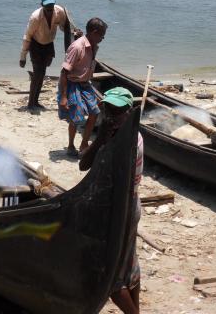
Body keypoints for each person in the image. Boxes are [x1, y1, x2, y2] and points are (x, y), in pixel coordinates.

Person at [79, 87, 143, 314]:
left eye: (117, 112)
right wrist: (100, 139)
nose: (111, 117)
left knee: (113, 278)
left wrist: (104, 140)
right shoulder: (110, 136)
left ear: (129, 113)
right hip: (118, 209)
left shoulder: (130, 142)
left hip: (120, 211)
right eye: (108, 110)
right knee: (129, 267)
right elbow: (83, 164)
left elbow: (118, 185)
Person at [58, 17, 107, 157]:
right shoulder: (77, 47)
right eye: (102, 35)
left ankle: (84, 143)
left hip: (85, 84)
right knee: (76, 116)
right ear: (94, 32)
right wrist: (63, 96)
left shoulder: (93, 46)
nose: (103, 38)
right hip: (72, 83)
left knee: (95, 112)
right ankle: (71, 145)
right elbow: (64, 72)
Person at [19, 0, 67, 112]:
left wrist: (72, 32)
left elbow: (63, 26)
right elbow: (27, 36)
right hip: (35, 45)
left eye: (51, 6)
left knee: (42, 73)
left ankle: (36, 101)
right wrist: (23, 56)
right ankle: (30, 103)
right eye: (47, 7)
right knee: (37, 74)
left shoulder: (60, 12)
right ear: (42, 5)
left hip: (49, 44)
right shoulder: (35, 17)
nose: (50, 9)